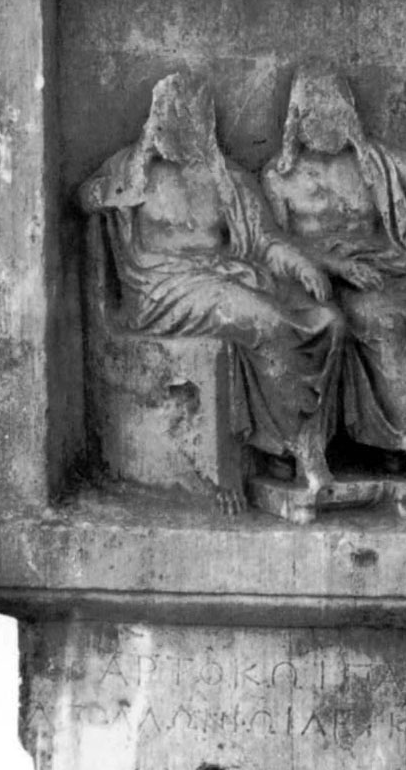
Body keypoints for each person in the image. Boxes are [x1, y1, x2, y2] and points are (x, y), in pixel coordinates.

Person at [78, 72, 345, 505]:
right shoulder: (131, 170)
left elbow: (265, 241)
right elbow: (85, 199)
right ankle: (299, 446)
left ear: (203, 121)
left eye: (182, 115)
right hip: (162, 291)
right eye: (164, 115)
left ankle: (278, 441)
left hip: (225, 278)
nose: (171, 124)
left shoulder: (227, 180)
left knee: (328, 321)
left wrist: (301, 266)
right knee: (264, 319)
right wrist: (124, 177)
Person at [262, 63, 406, 495]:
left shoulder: (373, 164)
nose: (329, 124)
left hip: (389, 270)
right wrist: (335, 266)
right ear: (298, 121)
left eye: (337, 113)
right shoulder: (279, 177)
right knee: (385, 323)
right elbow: (276, 244)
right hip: (328, 282)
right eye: (318, 115)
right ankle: (401, 444)